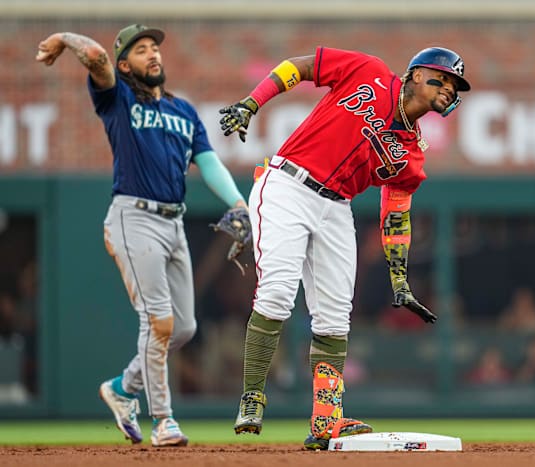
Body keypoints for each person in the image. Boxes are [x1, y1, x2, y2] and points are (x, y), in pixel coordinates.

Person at [218, 46, 471, 449]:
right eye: (446, 80)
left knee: (336, 315)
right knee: (278, 292)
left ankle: (326, 421)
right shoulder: (369, 70)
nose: (450, 89)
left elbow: (396, 213)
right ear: (419, 75)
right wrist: (253, 101)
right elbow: (299, 67)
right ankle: (252, 396)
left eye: (456, 86)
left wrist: (399, 278)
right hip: (288, 183)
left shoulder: (411, 152)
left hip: (336, 206)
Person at [36, 24, 249, 447]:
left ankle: (122, 387)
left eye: (155, 48)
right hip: (134, 217)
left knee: (184, 327)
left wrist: (238, 203)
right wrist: (63, 38)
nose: (152, 55)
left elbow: (208, 163)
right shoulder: (118, 98)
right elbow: (96, 56)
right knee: (158, 321)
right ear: (124, 64)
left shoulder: (184, 112)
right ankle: (164, 421)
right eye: (140, 50)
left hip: (173, 223)